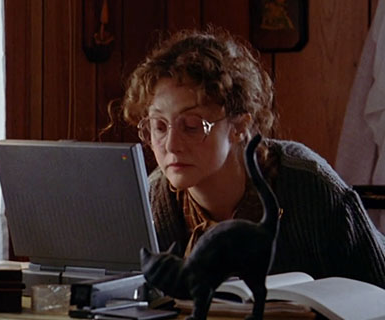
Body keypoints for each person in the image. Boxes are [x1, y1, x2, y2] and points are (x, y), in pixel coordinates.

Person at [118, 28, 385, 288]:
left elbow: (379, 291)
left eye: (192, 125)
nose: (172, 146)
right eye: (159, 126)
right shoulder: (152, 199)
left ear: (239, 127)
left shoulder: (309, 184)